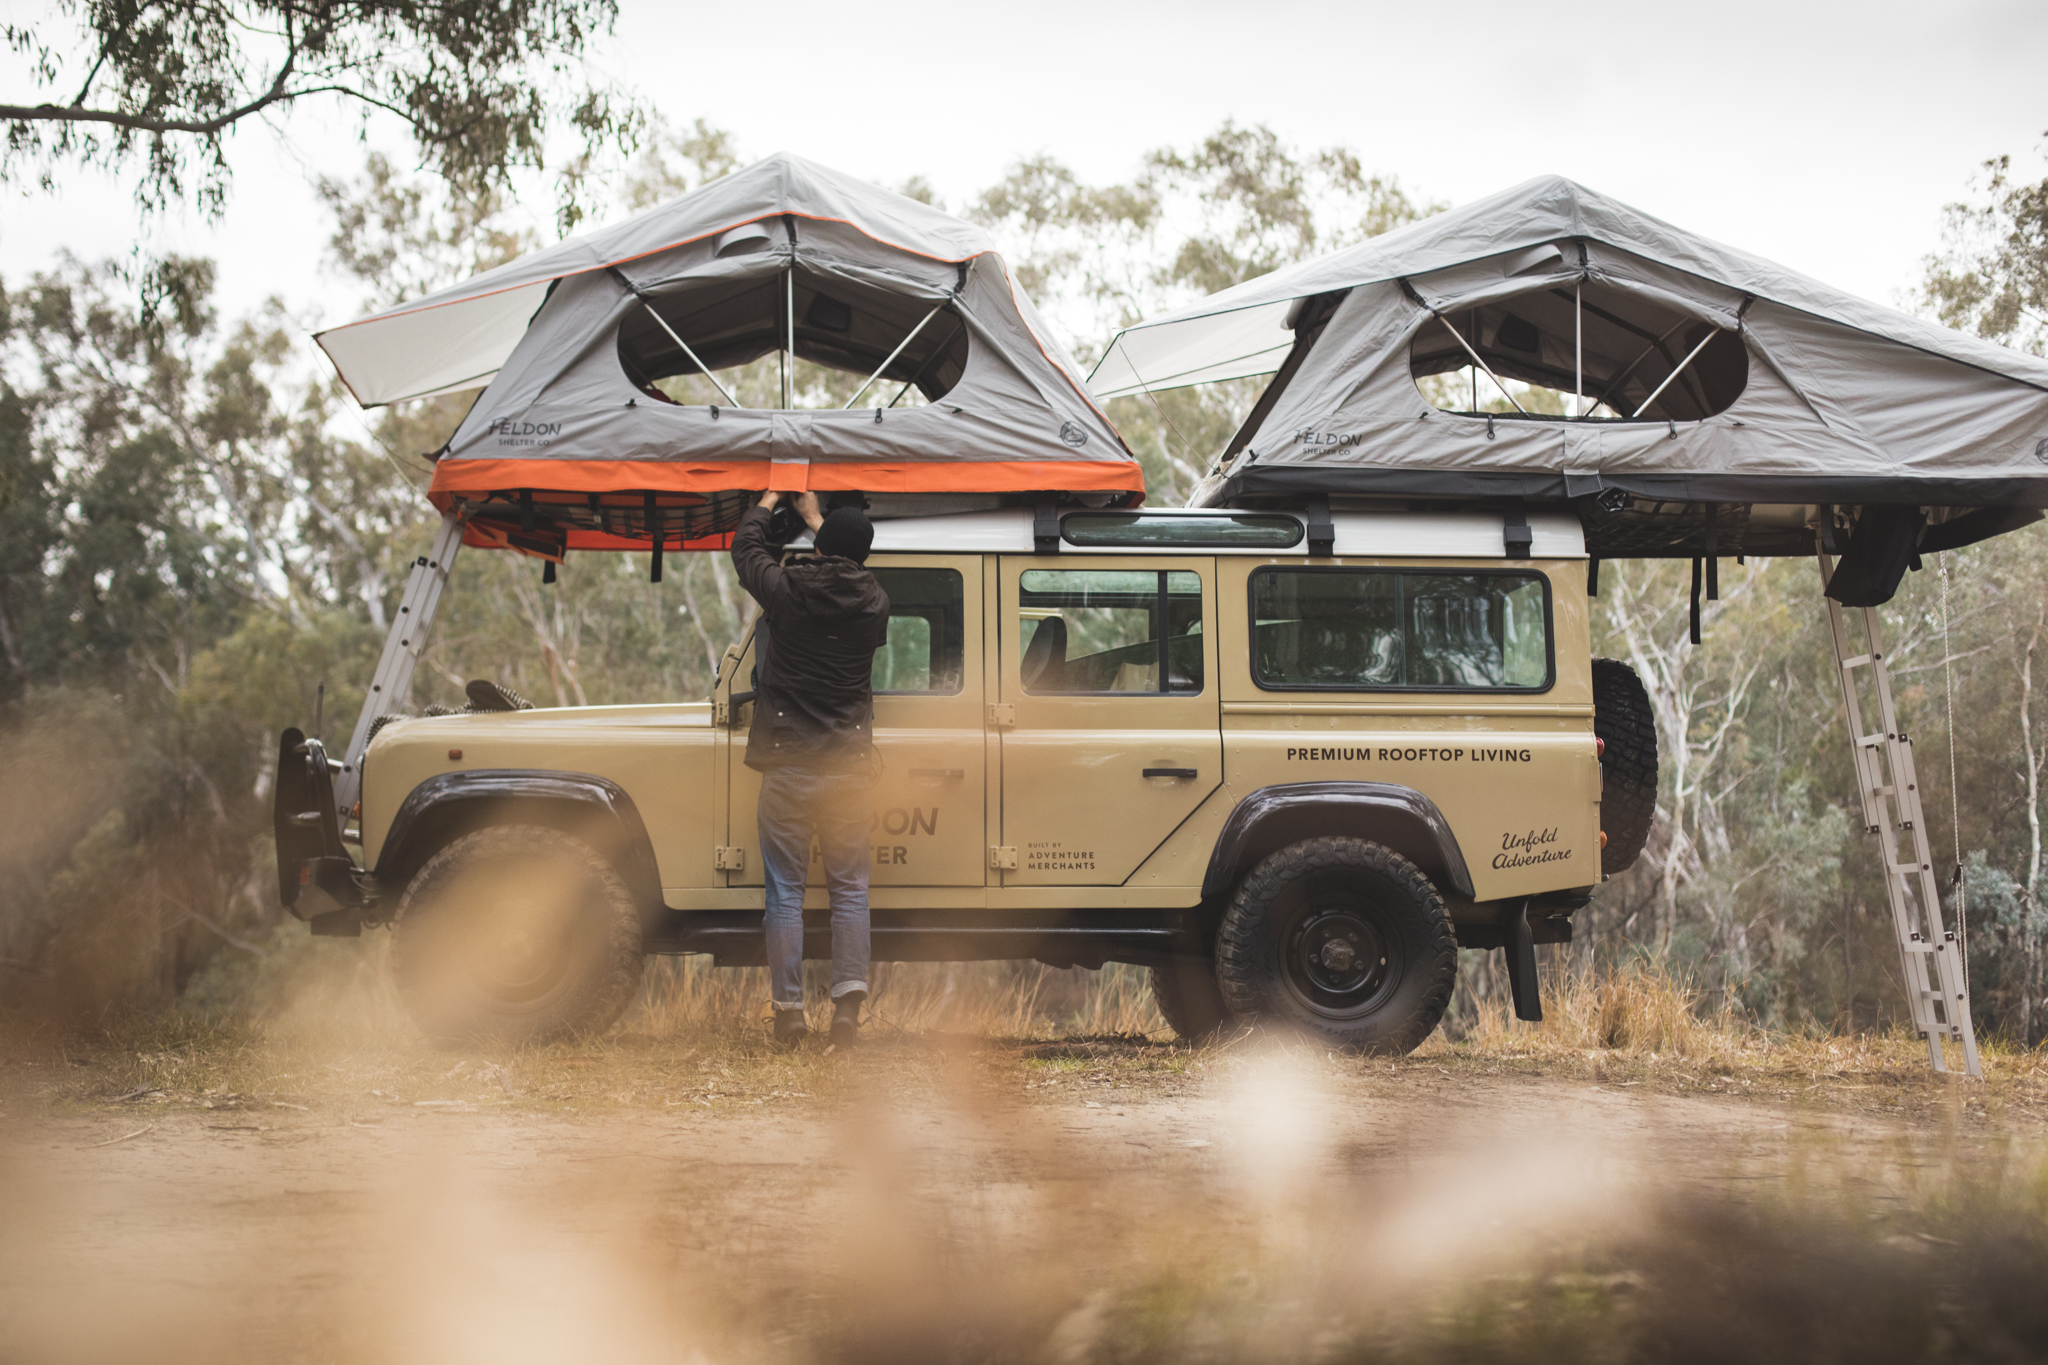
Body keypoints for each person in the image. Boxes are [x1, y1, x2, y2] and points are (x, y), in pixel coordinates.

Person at [730, 489, 890, 1048]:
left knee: (784, 894)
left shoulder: (788, 591)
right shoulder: (876, 603)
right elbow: (845, 561)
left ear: (819, 547)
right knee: (849, 891)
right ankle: (846, 1011)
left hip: (789, 765)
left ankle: (789, 1015)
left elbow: (746, 551)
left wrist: (771, 499)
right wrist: (822, 523)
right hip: (847, 769)